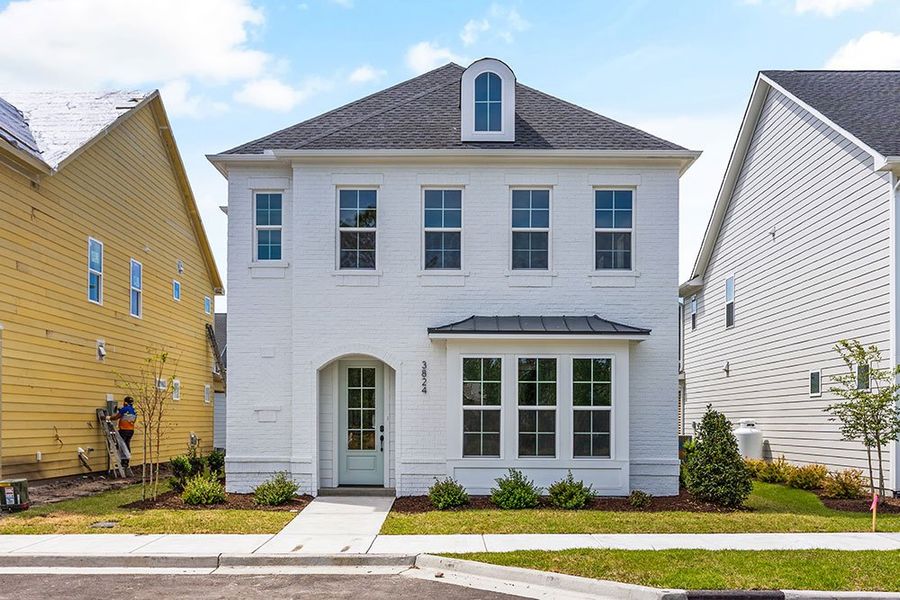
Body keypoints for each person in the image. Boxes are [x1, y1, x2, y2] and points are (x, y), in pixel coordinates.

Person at [109, 396, 136, 470]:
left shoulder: (124, 409)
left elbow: (116, 417)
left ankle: (123, 462)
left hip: (124, 430)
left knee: (121, 445)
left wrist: (108, 418)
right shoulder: (133, 410)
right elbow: (132, 419)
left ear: (125, 402)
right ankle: (126, 462)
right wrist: (120, 410)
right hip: (131, 430)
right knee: (127, 445)